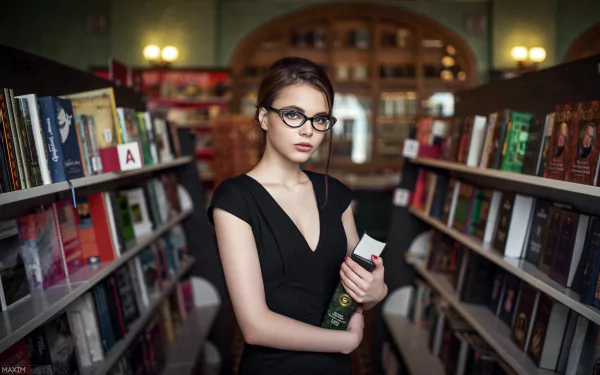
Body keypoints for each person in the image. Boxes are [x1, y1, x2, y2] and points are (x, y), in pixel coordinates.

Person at [207, 57, 388, 374]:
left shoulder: (337, 194)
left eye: (320, 119)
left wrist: (376, 292)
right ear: (264, 117)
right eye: (293, 114)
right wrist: (345, 343)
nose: (308, 131)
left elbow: (356, 290)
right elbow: (255, 326)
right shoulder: (235, 199)